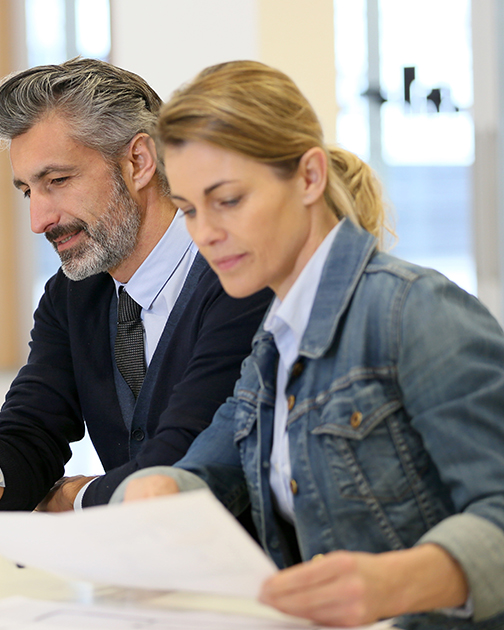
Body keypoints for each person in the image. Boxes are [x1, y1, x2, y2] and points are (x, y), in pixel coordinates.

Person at [111, 60, 504, 628]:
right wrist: (160, 487)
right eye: (191, 210)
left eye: (229, 200)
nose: (206, 234)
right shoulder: (274, 341)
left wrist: (401, 580)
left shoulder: (412, 311)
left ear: (310, 178)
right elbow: (205, 470)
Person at [0, 58, 271, 512]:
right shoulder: (73, 294)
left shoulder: (238, 276)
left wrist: (75, 498)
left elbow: (183, 465)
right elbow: (26, 443)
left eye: (57, 181)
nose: (38, 220)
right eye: (27, 190)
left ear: (139, 161)